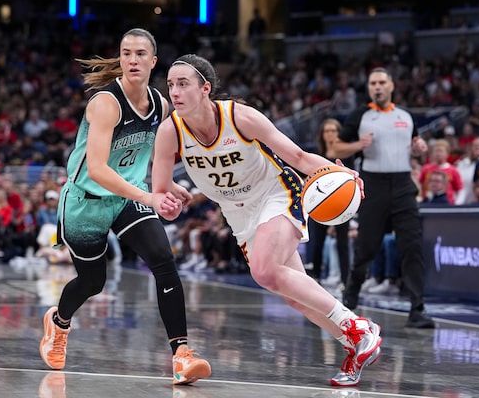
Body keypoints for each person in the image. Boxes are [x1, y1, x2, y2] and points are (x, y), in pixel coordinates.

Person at [151, 54, 382, 387]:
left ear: (205, 88)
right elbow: (160, 190)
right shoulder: (169, 131)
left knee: (264, 270)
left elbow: (298, 156)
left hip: (276, 193)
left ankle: (358, 327)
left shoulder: (240, 117)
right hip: (237, 212)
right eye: (171, 84)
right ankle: (354, 345)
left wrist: (339, 172)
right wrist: (168, 203)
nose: (174, 91)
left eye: (183, 84)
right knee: (293, 294)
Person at [38, 29, 211, 386]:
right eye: (126, 53)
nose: (132, 60)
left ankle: (181, 354)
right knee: (93, 282)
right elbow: (98, 169)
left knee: (163, 261)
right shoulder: (106, 103)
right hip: (86, 202)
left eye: (140, 54)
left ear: (153, 61)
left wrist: (167, 185)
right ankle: (58, 322)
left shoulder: (160, 105)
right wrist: (150, 197)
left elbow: (153, 153)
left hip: (128, 198)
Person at [330, 67, 435, 329]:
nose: (377, 87)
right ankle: (350, 299)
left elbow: (416, 145)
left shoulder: (405, 116)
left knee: (412, 246)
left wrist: (420, 148)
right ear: (369, 88)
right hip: (374, 184)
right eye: (373, 83)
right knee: (366, 247)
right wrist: (358, 145)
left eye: (381, 82)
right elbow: (336, 148)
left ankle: (417, 309)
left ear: (391, 86)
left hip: (403, 184)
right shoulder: (360, 115)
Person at [307, 118, 352, 288]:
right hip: (320, 203)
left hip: (341, 204)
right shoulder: (316, 155)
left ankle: (345, 280)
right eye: (327, 131)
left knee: (342, 243)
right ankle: (316, 277)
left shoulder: (347, 156)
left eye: (334, 130)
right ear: (322, 134)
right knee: (318, 242)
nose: (330, 134)